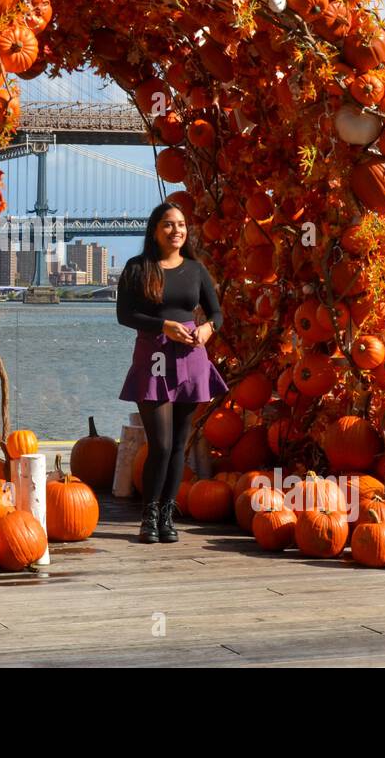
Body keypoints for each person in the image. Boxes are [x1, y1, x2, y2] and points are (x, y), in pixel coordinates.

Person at [117, 202, 228, 544]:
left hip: (191, 358)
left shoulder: (195, 270)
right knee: (161, 444)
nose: (176, 230)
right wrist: (164, 325)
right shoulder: (138, 268)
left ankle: (167, 515)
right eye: (168, 224)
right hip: (153, 357)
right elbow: (124, 315)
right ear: (154, 230)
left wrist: (208, 329)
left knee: (179, 443)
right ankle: (148, 516)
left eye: (181, 224)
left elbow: (217, 313)